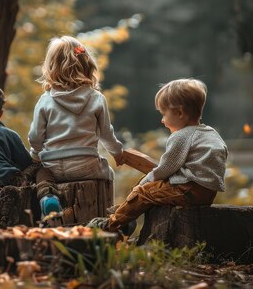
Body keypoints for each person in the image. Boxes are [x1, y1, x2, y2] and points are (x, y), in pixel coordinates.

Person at [88, 78, 228, 236]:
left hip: (189, 190)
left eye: (164, 114)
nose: (162, 120)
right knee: (150, 188)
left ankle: (112, 224)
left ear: (180, 113)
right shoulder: (209, 132)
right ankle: (124, 213)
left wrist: (147, 180)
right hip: (207, 192)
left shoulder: (181, 136)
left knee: (143, 192)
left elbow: (166, 168)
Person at [28, 35, 125, 218]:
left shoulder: (45, 101)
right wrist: (117, 153)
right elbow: (106, 134)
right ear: (87, 65)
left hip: (53, 166)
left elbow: (35, 137)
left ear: (51, 67)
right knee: (109, 173)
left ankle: (48, 199)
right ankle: (112, 216)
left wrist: (35, 155)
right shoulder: (96, 98)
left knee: (41, 174)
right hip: (86, 165)